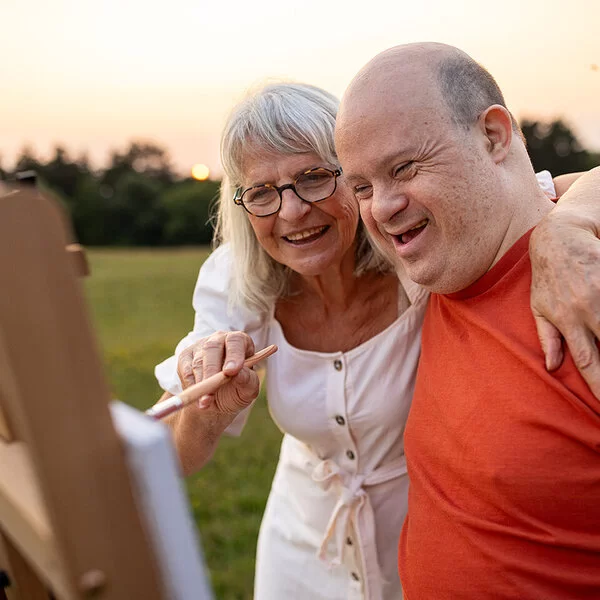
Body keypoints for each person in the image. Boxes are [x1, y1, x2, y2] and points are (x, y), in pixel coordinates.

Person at [154, 81, 599, 599]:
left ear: (354, 176)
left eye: (315, 178)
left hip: (417, 540)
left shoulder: (414, 244)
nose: (292, 210)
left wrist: (563, 226)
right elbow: (164, 457)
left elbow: (563, 184)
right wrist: (205, 412)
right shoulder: (238, 280)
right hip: (301, 549)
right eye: (262, 193)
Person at [335, 42, 600, 599]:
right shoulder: (436, 273)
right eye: (361, 187)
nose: (380, 208)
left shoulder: (584, 288)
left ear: (494, 136)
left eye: (403, 167)